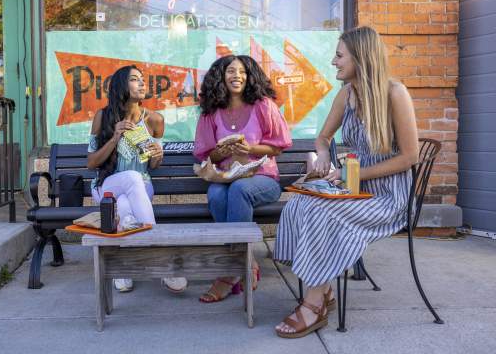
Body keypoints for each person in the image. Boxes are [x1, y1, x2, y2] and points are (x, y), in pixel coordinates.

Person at [273, 26, 419, 338]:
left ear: (360, 58)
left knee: (322, 212)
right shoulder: (348, 93)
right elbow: (323, 137)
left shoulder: (395, 94)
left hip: (388, 197)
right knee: (301, 201)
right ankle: (323, 290)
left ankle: (313, 305)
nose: (333, 61)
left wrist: (352, 175)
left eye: (339, 55)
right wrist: (323, 155)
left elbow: (409, 158)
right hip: (354, 188)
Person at [193, 55, 292, 303]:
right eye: (230, 71)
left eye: (242, 72)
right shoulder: (211, 111)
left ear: (249, 77)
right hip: (226, 178)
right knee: (215, 193)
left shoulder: (263, 105)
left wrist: (250, 149)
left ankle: (229, 271)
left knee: (239, 190)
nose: (237, 76)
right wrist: (222, 152)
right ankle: (247, 261)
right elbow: (207, 153)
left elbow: (279, 146)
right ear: (221, 76)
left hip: (263, 179)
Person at [87, 65, 188, 294]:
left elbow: (152, 166)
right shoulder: (103, 117)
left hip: (142, 187)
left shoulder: (154, 119)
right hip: (108, 186)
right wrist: (114, 137)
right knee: (129, 180)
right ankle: (164, 263)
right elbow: (91, 163)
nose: (142, 83)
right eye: (135, 79)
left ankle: (123, 268)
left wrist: (158, 155)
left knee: (124, 206)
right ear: (121, 85)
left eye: (143, 79)